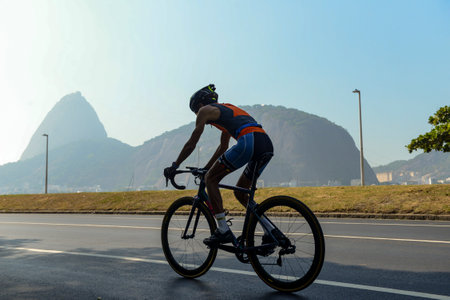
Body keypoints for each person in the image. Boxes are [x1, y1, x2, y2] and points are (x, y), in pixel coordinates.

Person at [164, 84, 273, 246]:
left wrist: (175, 165)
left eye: (195, 112)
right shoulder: (227, 111)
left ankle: (222, 229)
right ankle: (270, 230)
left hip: (248, 140)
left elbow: (192, 143)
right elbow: (223, 147)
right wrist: (207, 168)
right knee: (241, 194)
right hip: (265, 143)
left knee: (211, 180)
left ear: (200, 106)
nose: (198, 116)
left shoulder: (204, 111)